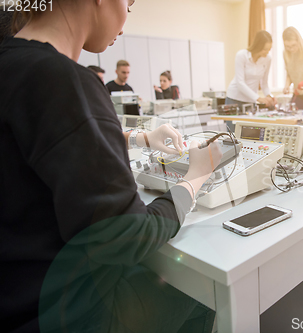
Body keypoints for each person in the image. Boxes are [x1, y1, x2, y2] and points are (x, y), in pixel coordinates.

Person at [0, 1, 221, 332]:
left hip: (16, 298)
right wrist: (196, 176)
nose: (125, 19)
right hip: (69, 314)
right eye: (129, 4)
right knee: (206, 293)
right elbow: (128, 236)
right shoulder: (63, 78)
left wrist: (139, 137)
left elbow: (45, 135)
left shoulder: (13, 62)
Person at [225, 30, 276, 110]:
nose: (267, 52)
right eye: (265, 49)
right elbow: (240, 83)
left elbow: (264, 83)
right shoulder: (241, 55)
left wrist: (269, 96)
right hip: (234, 98)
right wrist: (259, 98)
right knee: (234, 122)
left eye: (269, 49)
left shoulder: (267, 59)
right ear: (258, 46)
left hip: (251, 100)